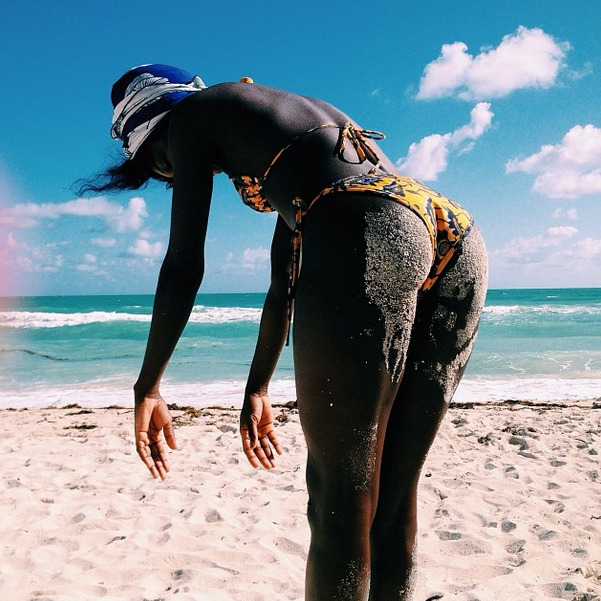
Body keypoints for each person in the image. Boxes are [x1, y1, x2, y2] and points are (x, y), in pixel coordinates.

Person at [81, 63, 488, 601]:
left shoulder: (192, 116)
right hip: (450, 231)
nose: (170, 173)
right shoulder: (277, 132)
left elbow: (183, 264)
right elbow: (283, 287)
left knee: (339, 499)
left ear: (155, 127)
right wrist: (258, 388)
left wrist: (148, 386)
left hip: (369, 224)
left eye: (159, 163)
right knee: (392, 491)